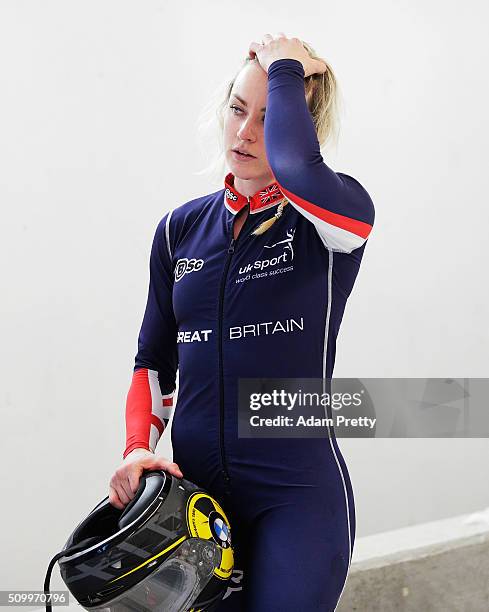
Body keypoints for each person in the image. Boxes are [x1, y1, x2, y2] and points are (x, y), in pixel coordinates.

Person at [109, 32, 375, 611]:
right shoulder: (180, 230)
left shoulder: (336, 218)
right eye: (236, 109)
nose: (246, 131)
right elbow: (153, 363)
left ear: (299, 126)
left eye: (268, 115)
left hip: (296, 498)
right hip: (196, 506)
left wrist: (286, 67)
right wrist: (137, 448)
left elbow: (299, 169)